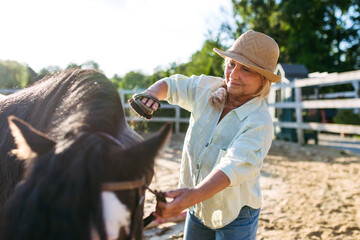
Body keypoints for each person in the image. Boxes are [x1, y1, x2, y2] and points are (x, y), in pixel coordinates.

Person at [139, 29, 281, 240]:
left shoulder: (259, 123)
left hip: (235, 213)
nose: (233, 74)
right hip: (197, 208)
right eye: (231, 64)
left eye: (246, 69)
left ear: (263, 80)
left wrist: (191, 196)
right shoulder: (207, 88)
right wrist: (151, 94)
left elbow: (232, 166)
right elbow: (173, 85)